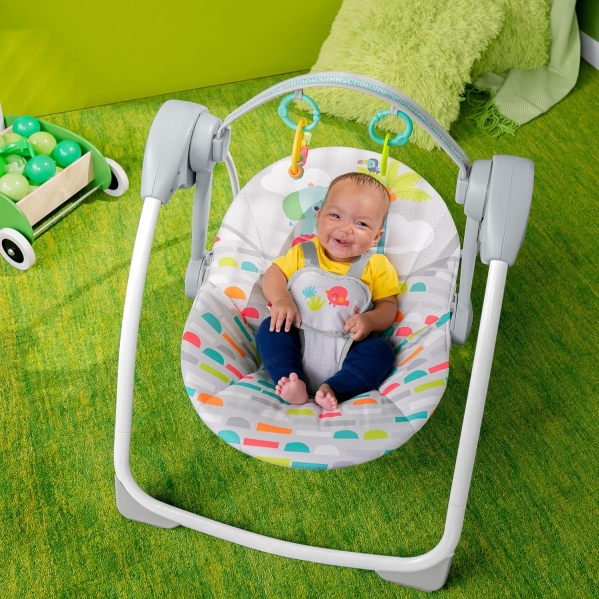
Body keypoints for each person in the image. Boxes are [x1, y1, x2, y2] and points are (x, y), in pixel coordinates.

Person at [256, 172, 400, 411]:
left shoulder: (376, 265)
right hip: (297, 337)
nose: (345, 229)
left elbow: (389, 306)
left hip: (348, 348)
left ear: (376, 236)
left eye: (361, 224)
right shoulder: (303, 252)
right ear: (319, 217)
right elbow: (274, 273)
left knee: (382, 351)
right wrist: (281, 298)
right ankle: (290, 379)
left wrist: (370, 320)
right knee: (269, 329)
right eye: (335, 216)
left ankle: (335, 388)